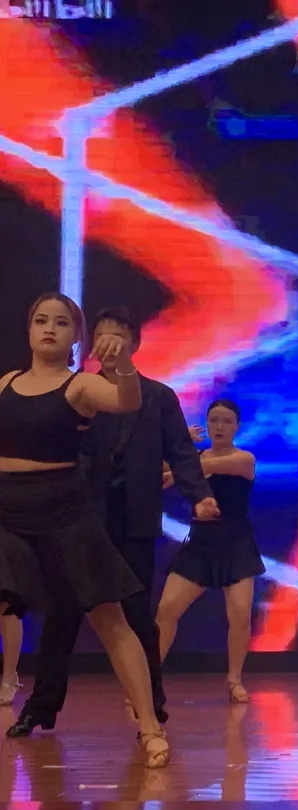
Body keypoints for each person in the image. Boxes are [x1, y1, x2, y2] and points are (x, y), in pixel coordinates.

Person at [7, 306, 217, 738]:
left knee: (137, 618)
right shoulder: (79, 389)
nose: (108, 343)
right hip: (78, 517)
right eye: (101, 335)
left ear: (133, 343)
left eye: (117, 336)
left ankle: (151, 712)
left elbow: (180, 450)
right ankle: (40, 707)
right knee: (61, 615)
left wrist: (200, 496)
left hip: (134, 519)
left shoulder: (157, 397)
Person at [0, 292, 170, 768]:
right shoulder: (6, 383)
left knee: (111, 620)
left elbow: (127, 401)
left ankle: (150, 726)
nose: (49, 328)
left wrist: (123, 365)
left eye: (61, 322)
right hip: (8, 510)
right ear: (29, 329)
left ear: (76, 337)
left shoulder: (80, 387)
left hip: (64, 511)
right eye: (41, 320)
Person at [156, 399, 265, 703]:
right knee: (166, 610)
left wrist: (182, 462)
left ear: (237, 426)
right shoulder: (195, 458)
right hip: (200, 544)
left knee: (240, 613)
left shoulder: (244, 459)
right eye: (213, 420)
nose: (219, 427)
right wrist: (179, 448)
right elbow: (156, 468)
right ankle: (148, 678)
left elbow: (206, 467)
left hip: (236, 544)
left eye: (227, 421)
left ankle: (234, 680)